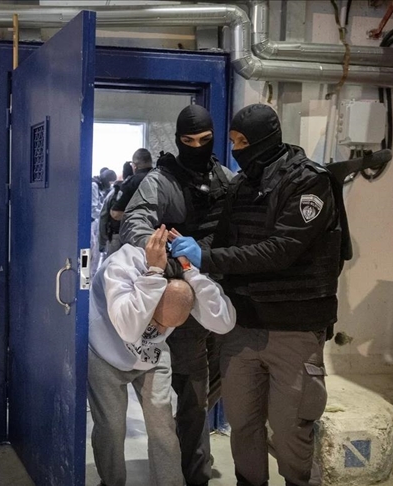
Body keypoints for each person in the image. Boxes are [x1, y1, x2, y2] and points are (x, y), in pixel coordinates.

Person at [171, 104, 350, 486]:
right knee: (243, 426)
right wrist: (183, 253)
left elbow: (281, 250)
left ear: (265, 140)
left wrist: (206, 256)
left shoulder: (309, 182)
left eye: (242, 142)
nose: (236, 150)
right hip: (242, 328)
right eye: (233, 142)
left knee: (290, 432)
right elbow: (222, 239)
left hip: (294, 331)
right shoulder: (241, 186)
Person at [118, 105, 231, 486]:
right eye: (188, 141)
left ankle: (190, 467)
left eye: (205, 140)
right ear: (179, 140)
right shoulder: (161, 181)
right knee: (188, 395)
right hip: (183, 301)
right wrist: (172, 262)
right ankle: (189, 475)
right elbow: (134, 224)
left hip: (220, 297)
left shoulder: (225, 178)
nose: (197, 147)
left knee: (207, 391)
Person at [88, 226, 236, 486]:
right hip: (105, 352)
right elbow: (129, 329)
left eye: (167, 328)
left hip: (151, 357)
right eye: (156, 323)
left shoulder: (182, 274)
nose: (158, 330)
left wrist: (191, 272)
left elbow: (224, 322)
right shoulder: (123, 265)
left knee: (163, 427)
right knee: (111, 428)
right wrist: (154, 274)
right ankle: (111, 482)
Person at [105, 149, 153, 256]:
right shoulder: (161, 179)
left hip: (132, 238)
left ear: (134, 166)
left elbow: (116, 213)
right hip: (158, 238)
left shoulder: (131, 182)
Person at [99, 159, 138, 258]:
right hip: (134, 236)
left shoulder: (114, 192)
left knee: (113, 264)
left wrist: (102, 241)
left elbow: (103, 216)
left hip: (115, 235)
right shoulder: (140, 189)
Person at [91, 168, 118, 278]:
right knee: (93, 251)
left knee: (97, 252)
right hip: (92, 222)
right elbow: (93, 210)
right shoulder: (94, 185)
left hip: (97, 221)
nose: (110, 185)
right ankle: (91, 277)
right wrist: (106, 214)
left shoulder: (102, 187)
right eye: (110, 182)